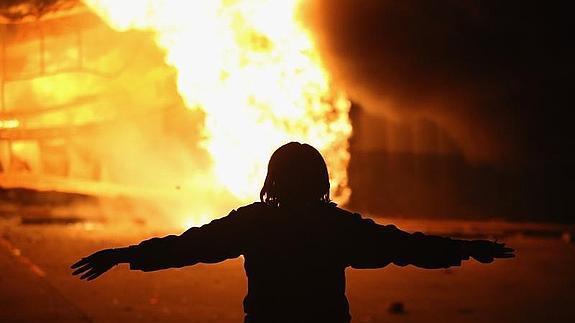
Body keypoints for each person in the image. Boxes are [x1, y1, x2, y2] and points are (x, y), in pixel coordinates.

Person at [71, 142, 514, 323]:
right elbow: (399, 246)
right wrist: (462, 249)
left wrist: (125, 254)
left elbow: (191, 246)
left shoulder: (254, 222)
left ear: (273, 181)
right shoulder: (335, 226)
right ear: (321, 181)